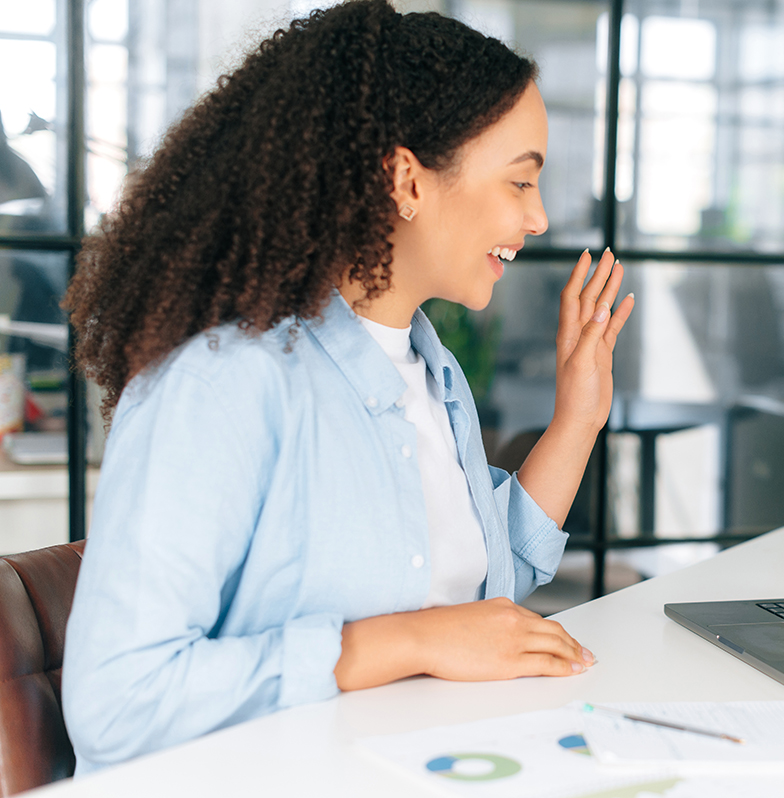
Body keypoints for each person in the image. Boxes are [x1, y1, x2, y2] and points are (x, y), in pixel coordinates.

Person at [59, 3, 635, 773]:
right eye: (520, 181)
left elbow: (479, 581)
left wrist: (579, 418)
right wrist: (401, 642)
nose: (537, 216)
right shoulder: (223, 385)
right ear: (406, 180)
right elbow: (118, 703)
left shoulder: (431, 369)